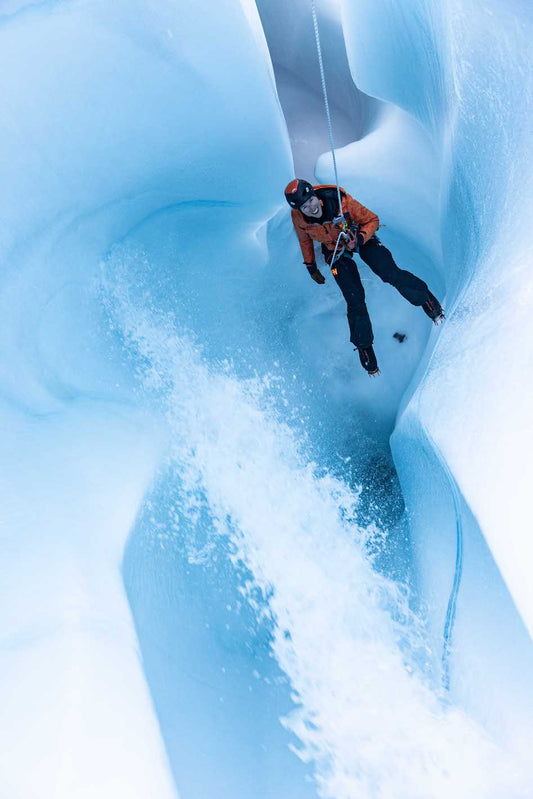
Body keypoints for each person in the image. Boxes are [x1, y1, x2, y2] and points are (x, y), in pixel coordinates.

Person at [285, 179, 444, 375]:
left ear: (315, 196)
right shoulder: (299, 217)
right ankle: (364, 346)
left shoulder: (340, 201)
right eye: (304, 207)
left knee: (389, 272)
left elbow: (372, 220)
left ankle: (425, 299)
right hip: (335, 252)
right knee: (354, 299)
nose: (311, 208)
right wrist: (310, 266)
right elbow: (305, 240)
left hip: (360, 238)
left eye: (311, 201)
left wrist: (359, 238)